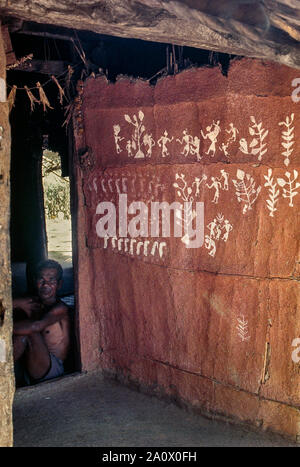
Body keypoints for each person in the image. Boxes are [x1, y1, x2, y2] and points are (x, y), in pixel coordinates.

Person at [13, 259, 71, 386]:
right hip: (32, 366)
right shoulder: (33, 302)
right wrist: (17, 303)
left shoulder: (60, 309)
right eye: (41, 280)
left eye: (52, 281)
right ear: (35, 281)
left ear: (59, 284)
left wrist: (4, 328)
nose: (45, 285)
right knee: (20, 328)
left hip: (51, 370)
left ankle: (2, 363)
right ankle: (3, 365)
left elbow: (36, 326)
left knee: (28, 330)